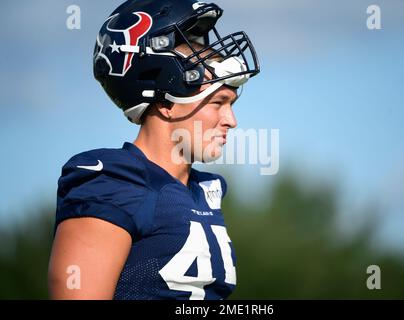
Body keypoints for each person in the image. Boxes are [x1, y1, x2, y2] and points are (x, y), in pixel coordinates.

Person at [47, 0, 260, 300]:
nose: (231, 121)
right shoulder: (114, 182)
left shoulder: (204, 191)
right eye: (217, 103)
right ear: (165, 103)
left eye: (232, 104)